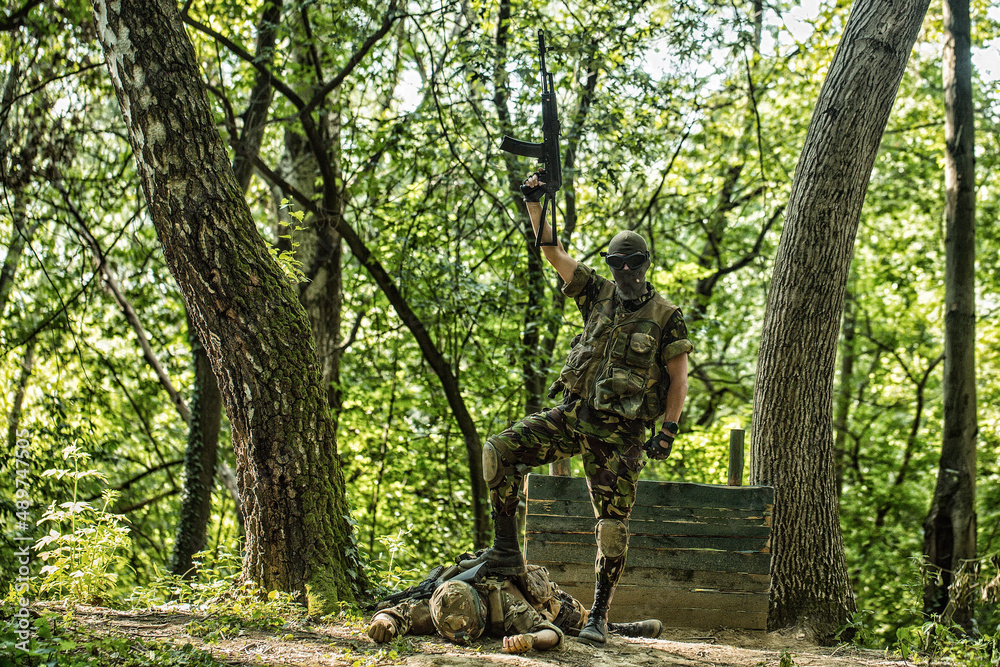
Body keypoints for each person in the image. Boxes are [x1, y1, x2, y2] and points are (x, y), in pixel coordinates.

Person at [462, 173, 693, 646]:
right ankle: (507, 550)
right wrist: (534, 202)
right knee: (499, 452)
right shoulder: (597, 293)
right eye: (616, 263)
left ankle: (599, 618)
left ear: (646, 264)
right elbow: (554, 251)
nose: (624, 271)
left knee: (612, 528)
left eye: (632, 264)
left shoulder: (666, 316)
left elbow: (678, 377)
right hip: (573, 417)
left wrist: (668, 431)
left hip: (620, 438)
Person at [365, 562, 663, 654]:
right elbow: (399, 613)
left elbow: (553, 633)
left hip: (532, 595)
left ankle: (617, 627)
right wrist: (383, 623)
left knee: (573, 618)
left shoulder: (506, 607)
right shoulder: (440, 606)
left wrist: (531, 639)